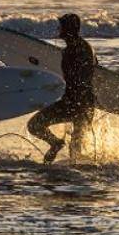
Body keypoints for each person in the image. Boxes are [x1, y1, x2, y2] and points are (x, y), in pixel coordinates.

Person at [27, 13, 97, 163]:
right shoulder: (86, 47)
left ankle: (55, 143)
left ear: (68, 29)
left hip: (74, 103)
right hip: (85, 103)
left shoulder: (73, 51)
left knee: (34, 125)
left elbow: (75, 79)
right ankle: (76, 178)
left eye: (61, 26)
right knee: (75, 150)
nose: (59, 29)